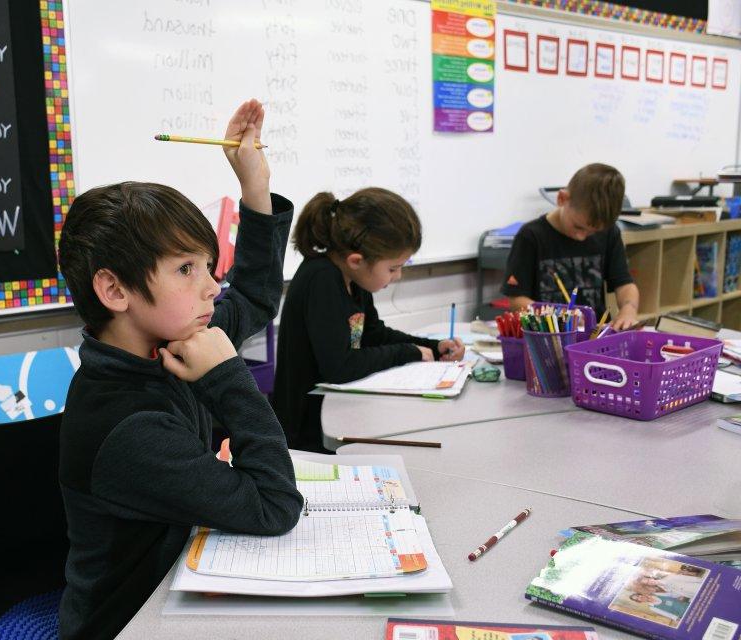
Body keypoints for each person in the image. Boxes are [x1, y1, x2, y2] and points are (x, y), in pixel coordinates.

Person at [56, 100, 304, 640]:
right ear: (115, 290)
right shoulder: (129, 424)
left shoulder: (169, 341)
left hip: (178, 586)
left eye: (207, 266)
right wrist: (228, 378)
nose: (213, 287)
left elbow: (257, 296)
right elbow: (275, 506)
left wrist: (254, 185)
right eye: (186, 269)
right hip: (128, 623)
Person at [272, 188, 465, 452]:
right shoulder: (322, 279)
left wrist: (431, 346)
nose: (398, 277)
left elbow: (373, 334)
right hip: (306, 435)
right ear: (357, 260)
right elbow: (339, 367)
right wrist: (409, 352)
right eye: (393, 268)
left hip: (337, 416)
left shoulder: (352, 277)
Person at [502, 163, 639, 329]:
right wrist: (559, 317)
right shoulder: (531, 237)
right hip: (548, 336)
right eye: (578, 227)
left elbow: (624, 284)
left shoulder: (609, 233)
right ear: (562, 199)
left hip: (593, 336)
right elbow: (516, 300)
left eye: (592, 232)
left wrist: (628, 310)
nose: (582, 237)